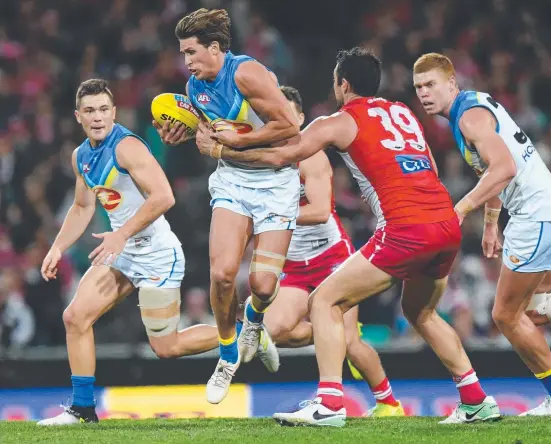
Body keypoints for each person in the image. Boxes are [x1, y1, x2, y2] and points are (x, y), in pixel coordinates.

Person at [196, 47, 500, 426]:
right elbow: (430, 167)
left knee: (323, 301)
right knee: (420, 311)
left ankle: (329, 404)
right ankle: (475, 399)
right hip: (444, 222)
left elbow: (281, 156)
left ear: (342, 84)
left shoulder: (339, 120)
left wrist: (222, 148)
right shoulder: (403, 113)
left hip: (405, 228)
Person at [37, 79, 219, 426]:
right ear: (78, 116)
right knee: (75, 318)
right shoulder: (81, 156)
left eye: (104, 109)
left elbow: (164, 196)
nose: (98, 117)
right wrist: (57, 247)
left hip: (156, 254)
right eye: (90, 111)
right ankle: (83, 409)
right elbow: (80, 206)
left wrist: (121, 234)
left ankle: (242, 336)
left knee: (165, 348)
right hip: (121, 252)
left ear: (114, 112)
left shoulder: (128, 148)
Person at [154, 8, 299, 404]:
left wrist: (233, 144)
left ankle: (254, 320)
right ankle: (227, 351)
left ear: (215, 48)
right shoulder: (194, 87)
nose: (186, 62)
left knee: (263, 286)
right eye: (183, 54)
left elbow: (288, 126)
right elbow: (211, 134)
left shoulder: (246, 74)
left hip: (275, 184)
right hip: (233, 182)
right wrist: (182, 136)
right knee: (221, 276)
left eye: (191, 53)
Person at [412, 52, 551, 416]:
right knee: (539, 309)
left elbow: (504, 167)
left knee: (506, 316)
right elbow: (493, 168)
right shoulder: (470, 108)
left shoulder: (468, 115)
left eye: (431, 84)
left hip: (534, 214)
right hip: (542, 209)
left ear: (452, 83)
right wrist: (492, 222)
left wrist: (460, 209)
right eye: (418, 87)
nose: (424, 93)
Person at [256, 85, 404, 417]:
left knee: (351, 343)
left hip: (331, 259)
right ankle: (326, 332)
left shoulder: (310, 156)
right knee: (274, 330)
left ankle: (389, 404)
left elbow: (321, 210)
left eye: (288, 114)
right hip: (294, 264)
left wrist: (270, 219)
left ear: (301, 119)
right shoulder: (261, 162)